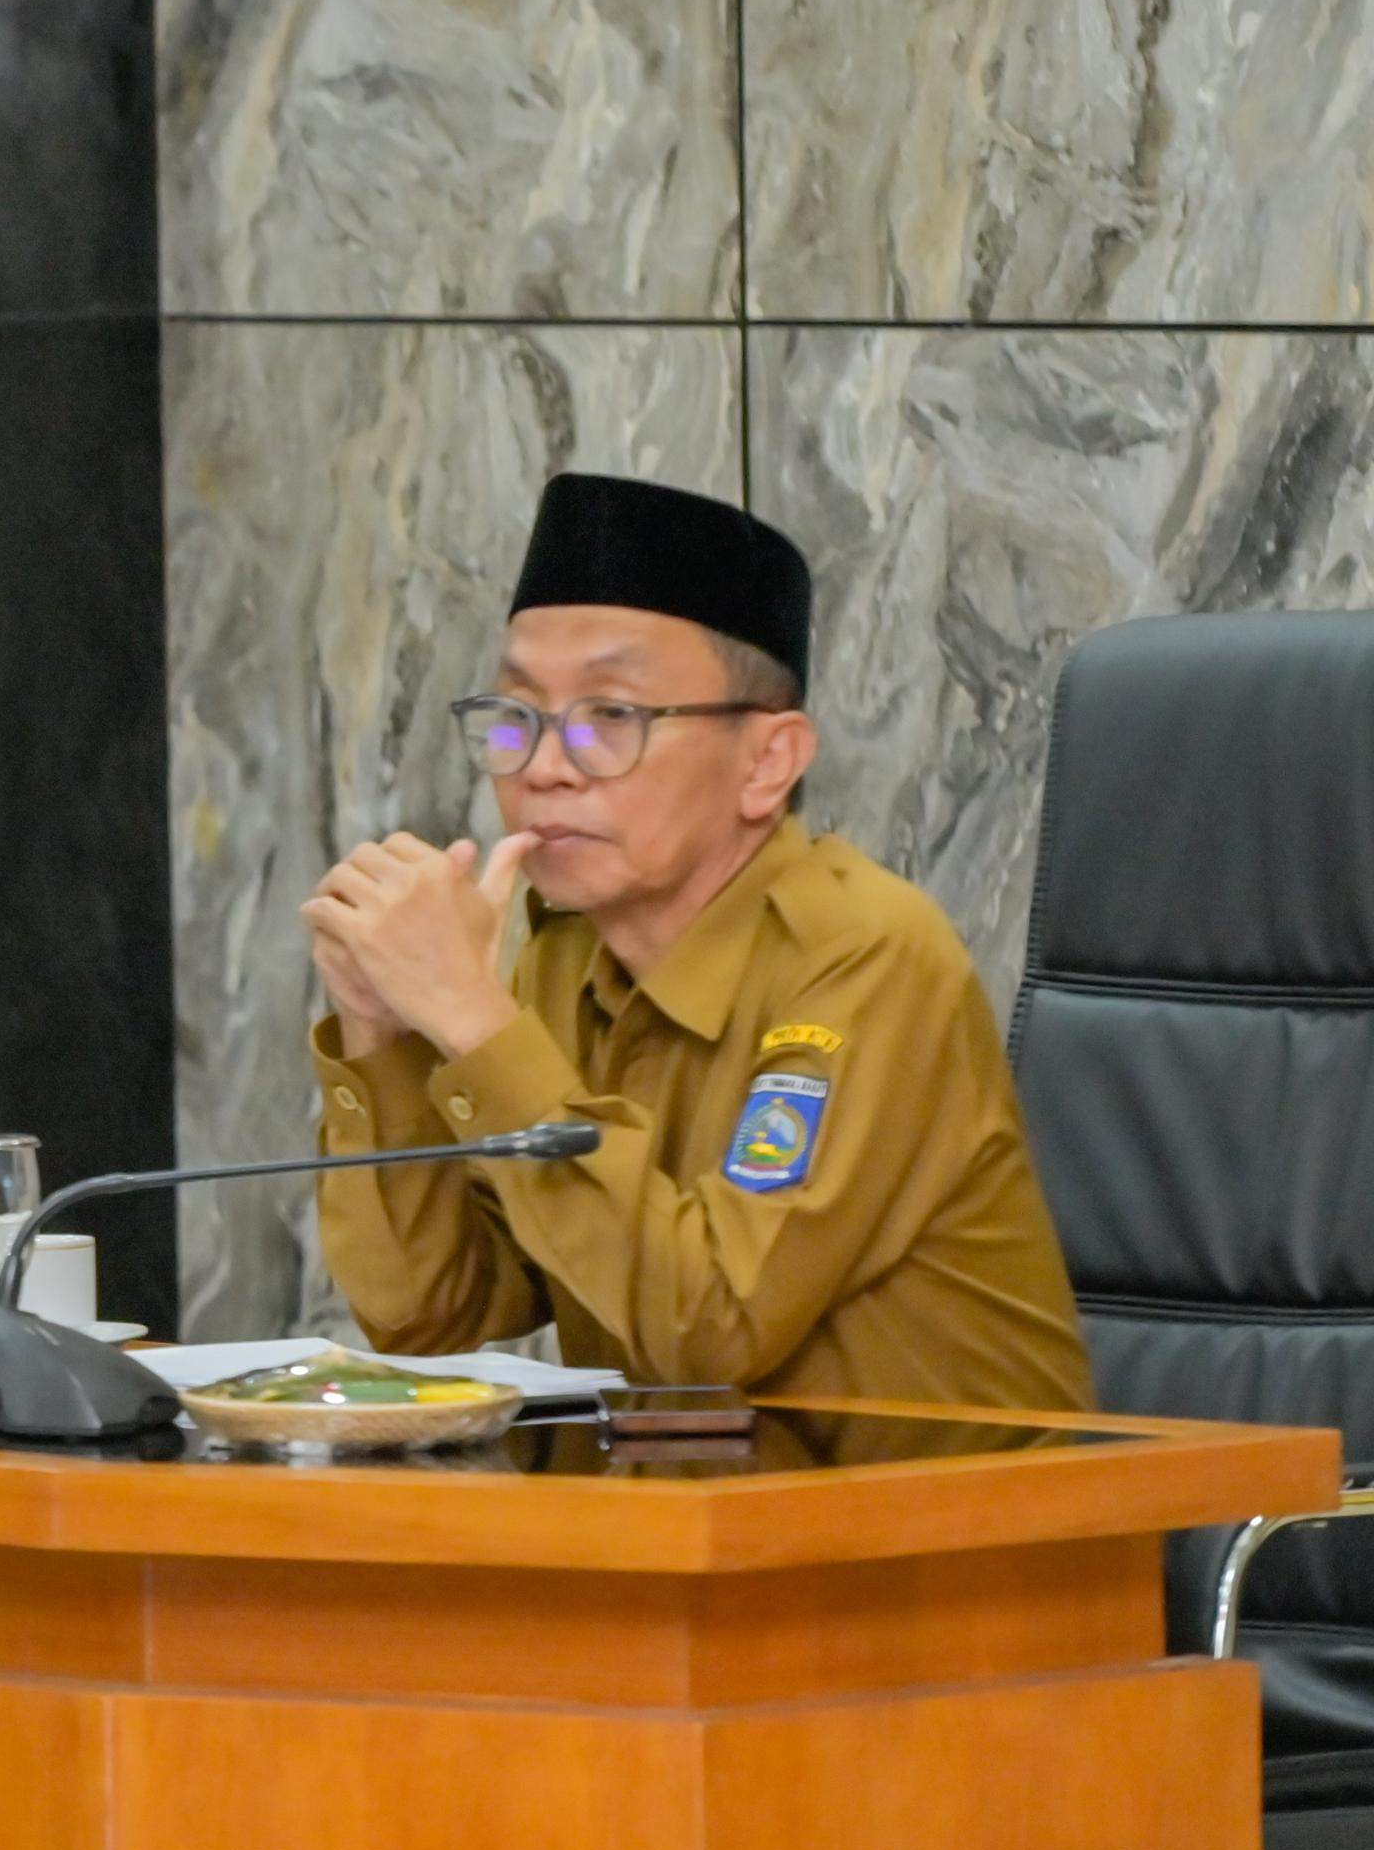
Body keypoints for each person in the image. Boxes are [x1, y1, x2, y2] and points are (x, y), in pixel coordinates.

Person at [298, 472, 1090, 1409]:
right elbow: (438, 1309)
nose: (545, 769)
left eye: (610, 718)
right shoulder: (563, 958)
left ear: (768, 762)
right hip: (701, 1522)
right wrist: (381, 1035)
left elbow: (713, 1326)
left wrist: (473, 1021)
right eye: (516, 719)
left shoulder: (867, 956)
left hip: (967, 1540)